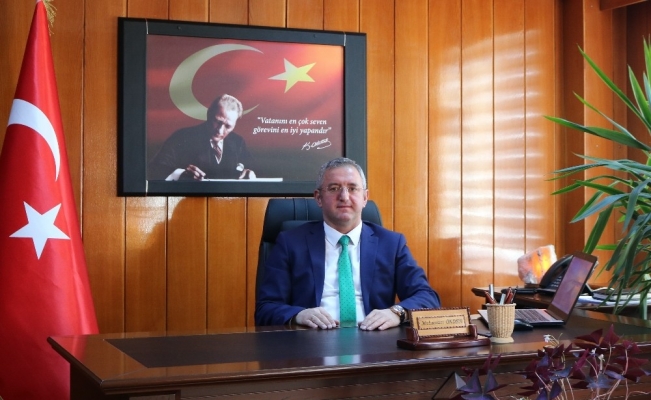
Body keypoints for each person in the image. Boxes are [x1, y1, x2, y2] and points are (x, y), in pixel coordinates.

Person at [255, 157, 440, 330]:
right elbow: (266, 308)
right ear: (318, 198)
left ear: (365, 197)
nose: (344, 196)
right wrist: (298, 315)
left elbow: (427, 297)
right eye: (334, 188)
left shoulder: (391, 244)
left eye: (352, 188)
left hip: (375, 342)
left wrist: (396, 313)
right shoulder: (290, 243)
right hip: (311, 341)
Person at [148, 94, 256, 180]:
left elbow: (254, 168)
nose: (220, 130)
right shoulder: (181, 137)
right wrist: (181, 174)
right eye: (217, 121)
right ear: (208, 114)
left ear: (235, 124)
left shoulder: (238, 142)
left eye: (228, 126)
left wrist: (250, 173)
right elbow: (154, 170)